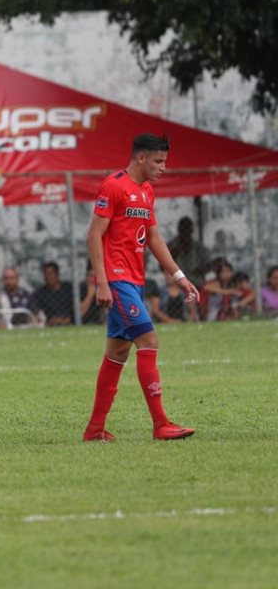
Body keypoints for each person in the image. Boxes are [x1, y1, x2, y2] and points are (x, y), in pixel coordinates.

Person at [83, 133, 200, 443]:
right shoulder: (114, 186)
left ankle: (94, 430)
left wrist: (179, 276)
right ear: (141, 158)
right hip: (118, 280)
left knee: (118, 353)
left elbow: (154, 238)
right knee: (148, 340)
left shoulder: (147, 192)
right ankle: (161, 423)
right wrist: (102, 282)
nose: (163, 168)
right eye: (159, 161)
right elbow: (94, 235)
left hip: (133, 281)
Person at [166, 217, 211, 289]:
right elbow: (162, 267)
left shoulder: (199, 247)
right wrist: (172, 256)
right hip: (177, 285)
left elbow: (209, 265)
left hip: (196, 284)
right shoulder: (171, 246)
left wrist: (200, 271)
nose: (185, 233)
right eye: (183, 230)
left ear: (191, 231)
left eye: (188, 230)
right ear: (179, 230)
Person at [31, 261, 74, 326]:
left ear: (57, 274)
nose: (47, 277)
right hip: (49, 324)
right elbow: (36, 312)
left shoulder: (69, 289)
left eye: (50, 274)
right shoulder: (39, 294)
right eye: (45, 274)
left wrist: (65, 320)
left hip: (70, 321)